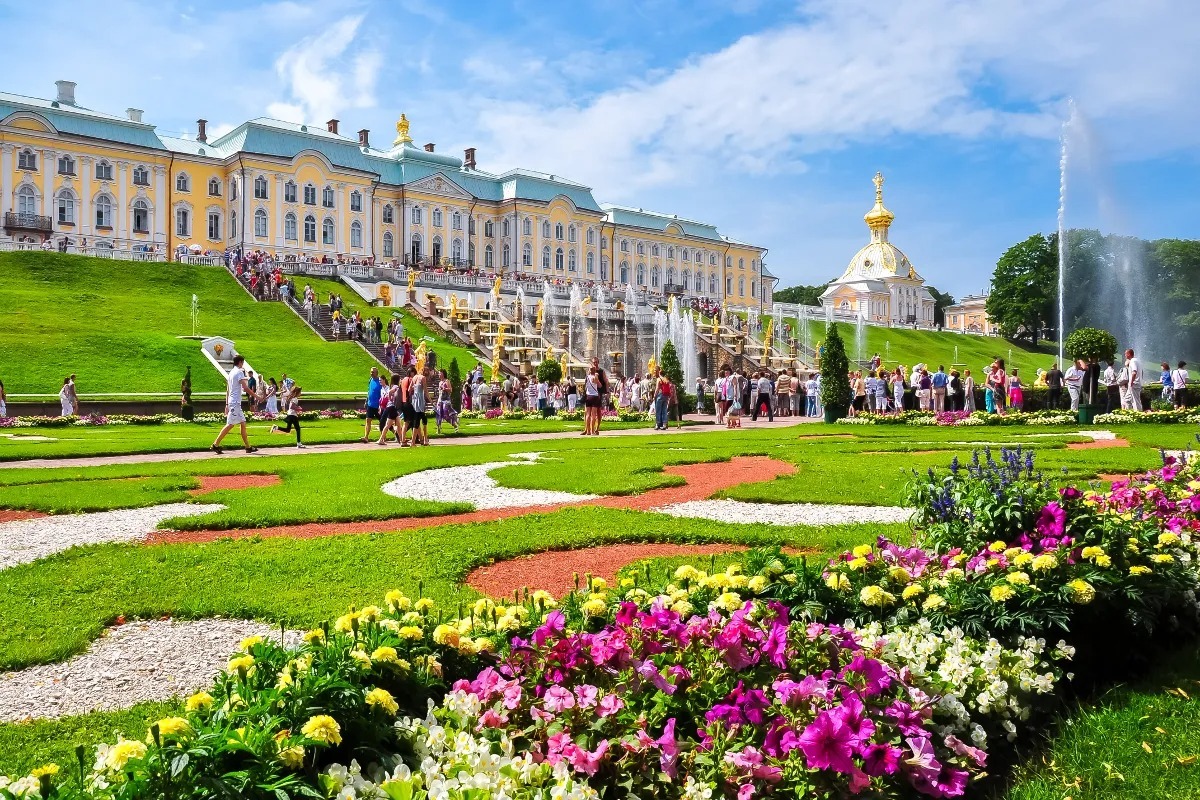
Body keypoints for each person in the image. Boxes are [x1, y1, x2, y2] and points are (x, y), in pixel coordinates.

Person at [210, 355, 257, 454]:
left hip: (234, 402)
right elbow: (245, 387)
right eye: (242, 362)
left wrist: (227, 404)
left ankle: (248, 447)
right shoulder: (239, 372)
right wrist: (256, 396)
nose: (243, 364)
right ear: (240, 362)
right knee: (230, 425)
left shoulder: (231, 372)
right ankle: (215, 444)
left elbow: (228, 389)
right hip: (235, 402)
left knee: (243, 423)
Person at [362, 367, 384, 442]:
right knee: (368, 420)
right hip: (370, 405)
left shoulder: (380, 382)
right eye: (371, 372)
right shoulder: (370, 380)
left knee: (383, 421)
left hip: (378, 406)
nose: (371, 373)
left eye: (373, 372)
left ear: (376, 373)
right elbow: (369, 391)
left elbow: (383, 393)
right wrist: (366, 401)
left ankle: (394, 434)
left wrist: (381, 405)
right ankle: (366, 437)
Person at [408, 369, 428, 446]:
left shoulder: (414, 378)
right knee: (422, 420)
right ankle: (422, 440)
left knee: (419, 420)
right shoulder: (423, 378)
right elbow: (425, 391)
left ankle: (422, 440)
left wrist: (415, 389)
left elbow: (409, 390)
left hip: (415, 401)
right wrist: (431, 401)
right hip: (420, 401)